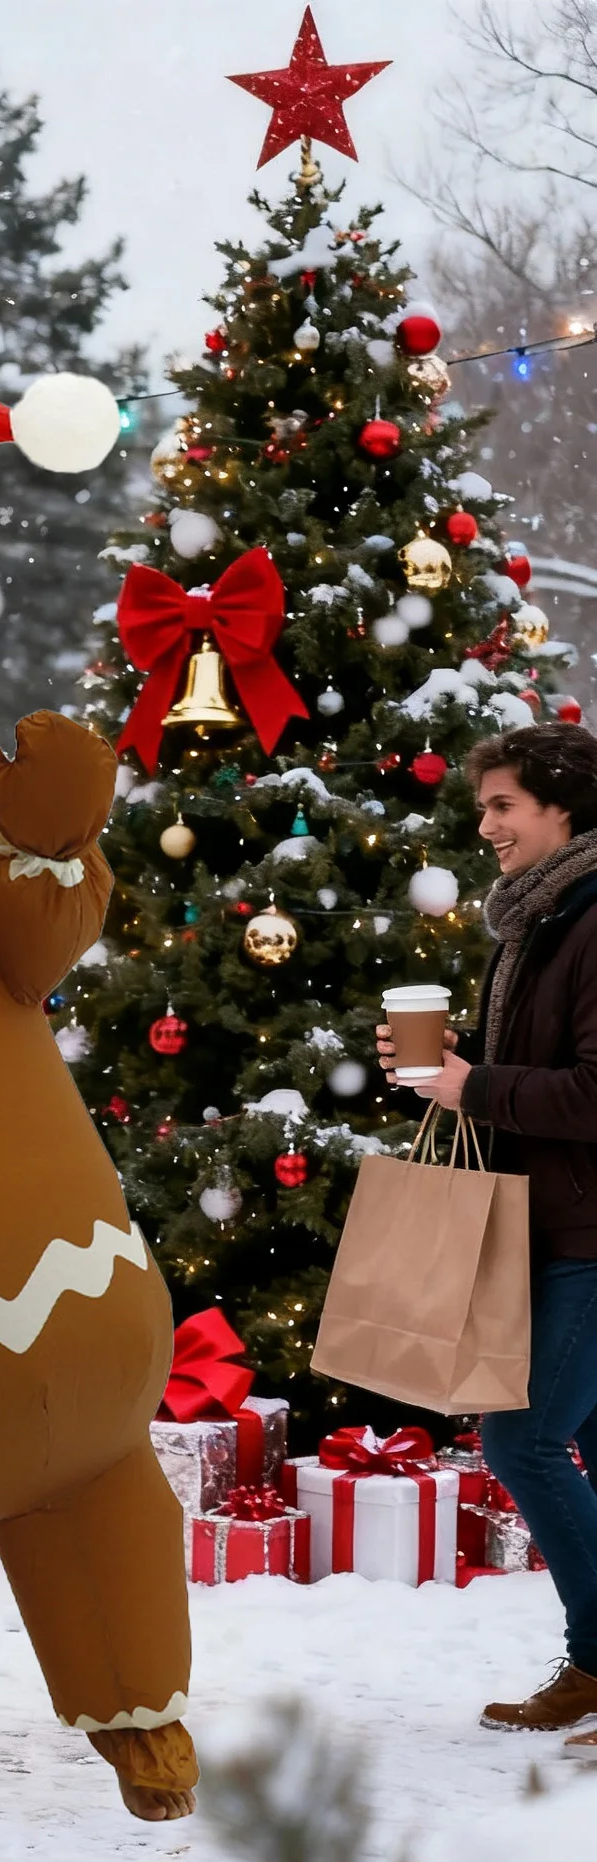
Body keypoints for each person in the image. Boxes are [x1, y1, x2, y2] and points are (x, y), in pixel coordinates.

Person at [379, 723, 597, 1742]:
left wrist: (479, 1082)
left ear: (560, 805)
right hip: (548, 1218)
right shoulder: (537, 922)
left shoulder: (590, 918)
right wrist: (452, 1069)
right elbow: (539, 1072)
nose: (486, 825)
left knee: (519, 1434)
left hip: (589, 1230)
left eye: (503, 804)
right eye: (483, 806)